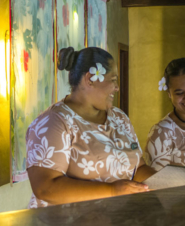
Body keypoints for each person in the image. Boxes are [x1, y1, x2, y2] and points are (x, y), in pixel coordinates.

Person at [25, 46, 155, 208]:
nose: (117, 88)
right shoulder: (54, 122)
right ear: (90, 79)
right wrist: (112, 191)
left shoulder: (119, 118)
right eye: (113, 80)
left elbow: (138, 167)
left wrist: (168, 183)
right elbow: (45, 188)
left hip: (114, 225)